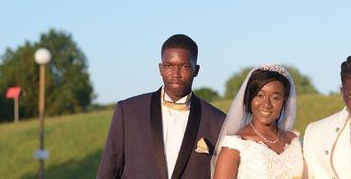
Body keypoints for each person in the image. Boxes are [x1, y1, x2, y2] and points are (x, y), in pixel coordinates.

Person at [97, 34, 226, 179]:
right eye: (168, 65)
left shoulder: (218, 121)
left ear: (196, 70)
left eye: (184, 66)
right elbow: (108, 172)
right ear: (160, 68)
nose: (176, 74)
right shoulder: (128, 112)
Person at [212, 64, 303, 179]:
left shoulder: (295, 141)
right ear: (250, 99)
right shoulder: (235, 145)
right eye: (260, 95)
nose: (267, 104)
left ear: (284, 101)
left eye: (275, 98)